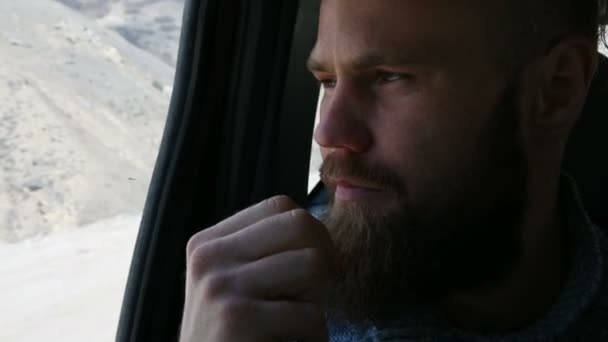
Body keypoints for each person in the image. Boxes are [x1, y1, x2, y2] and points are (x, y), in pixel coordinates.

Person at [179, 0, 608, 341]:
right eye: (327, 81)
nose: (328, 131)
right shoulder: (259, 304)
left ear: (557, 89)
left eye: (390, 77)